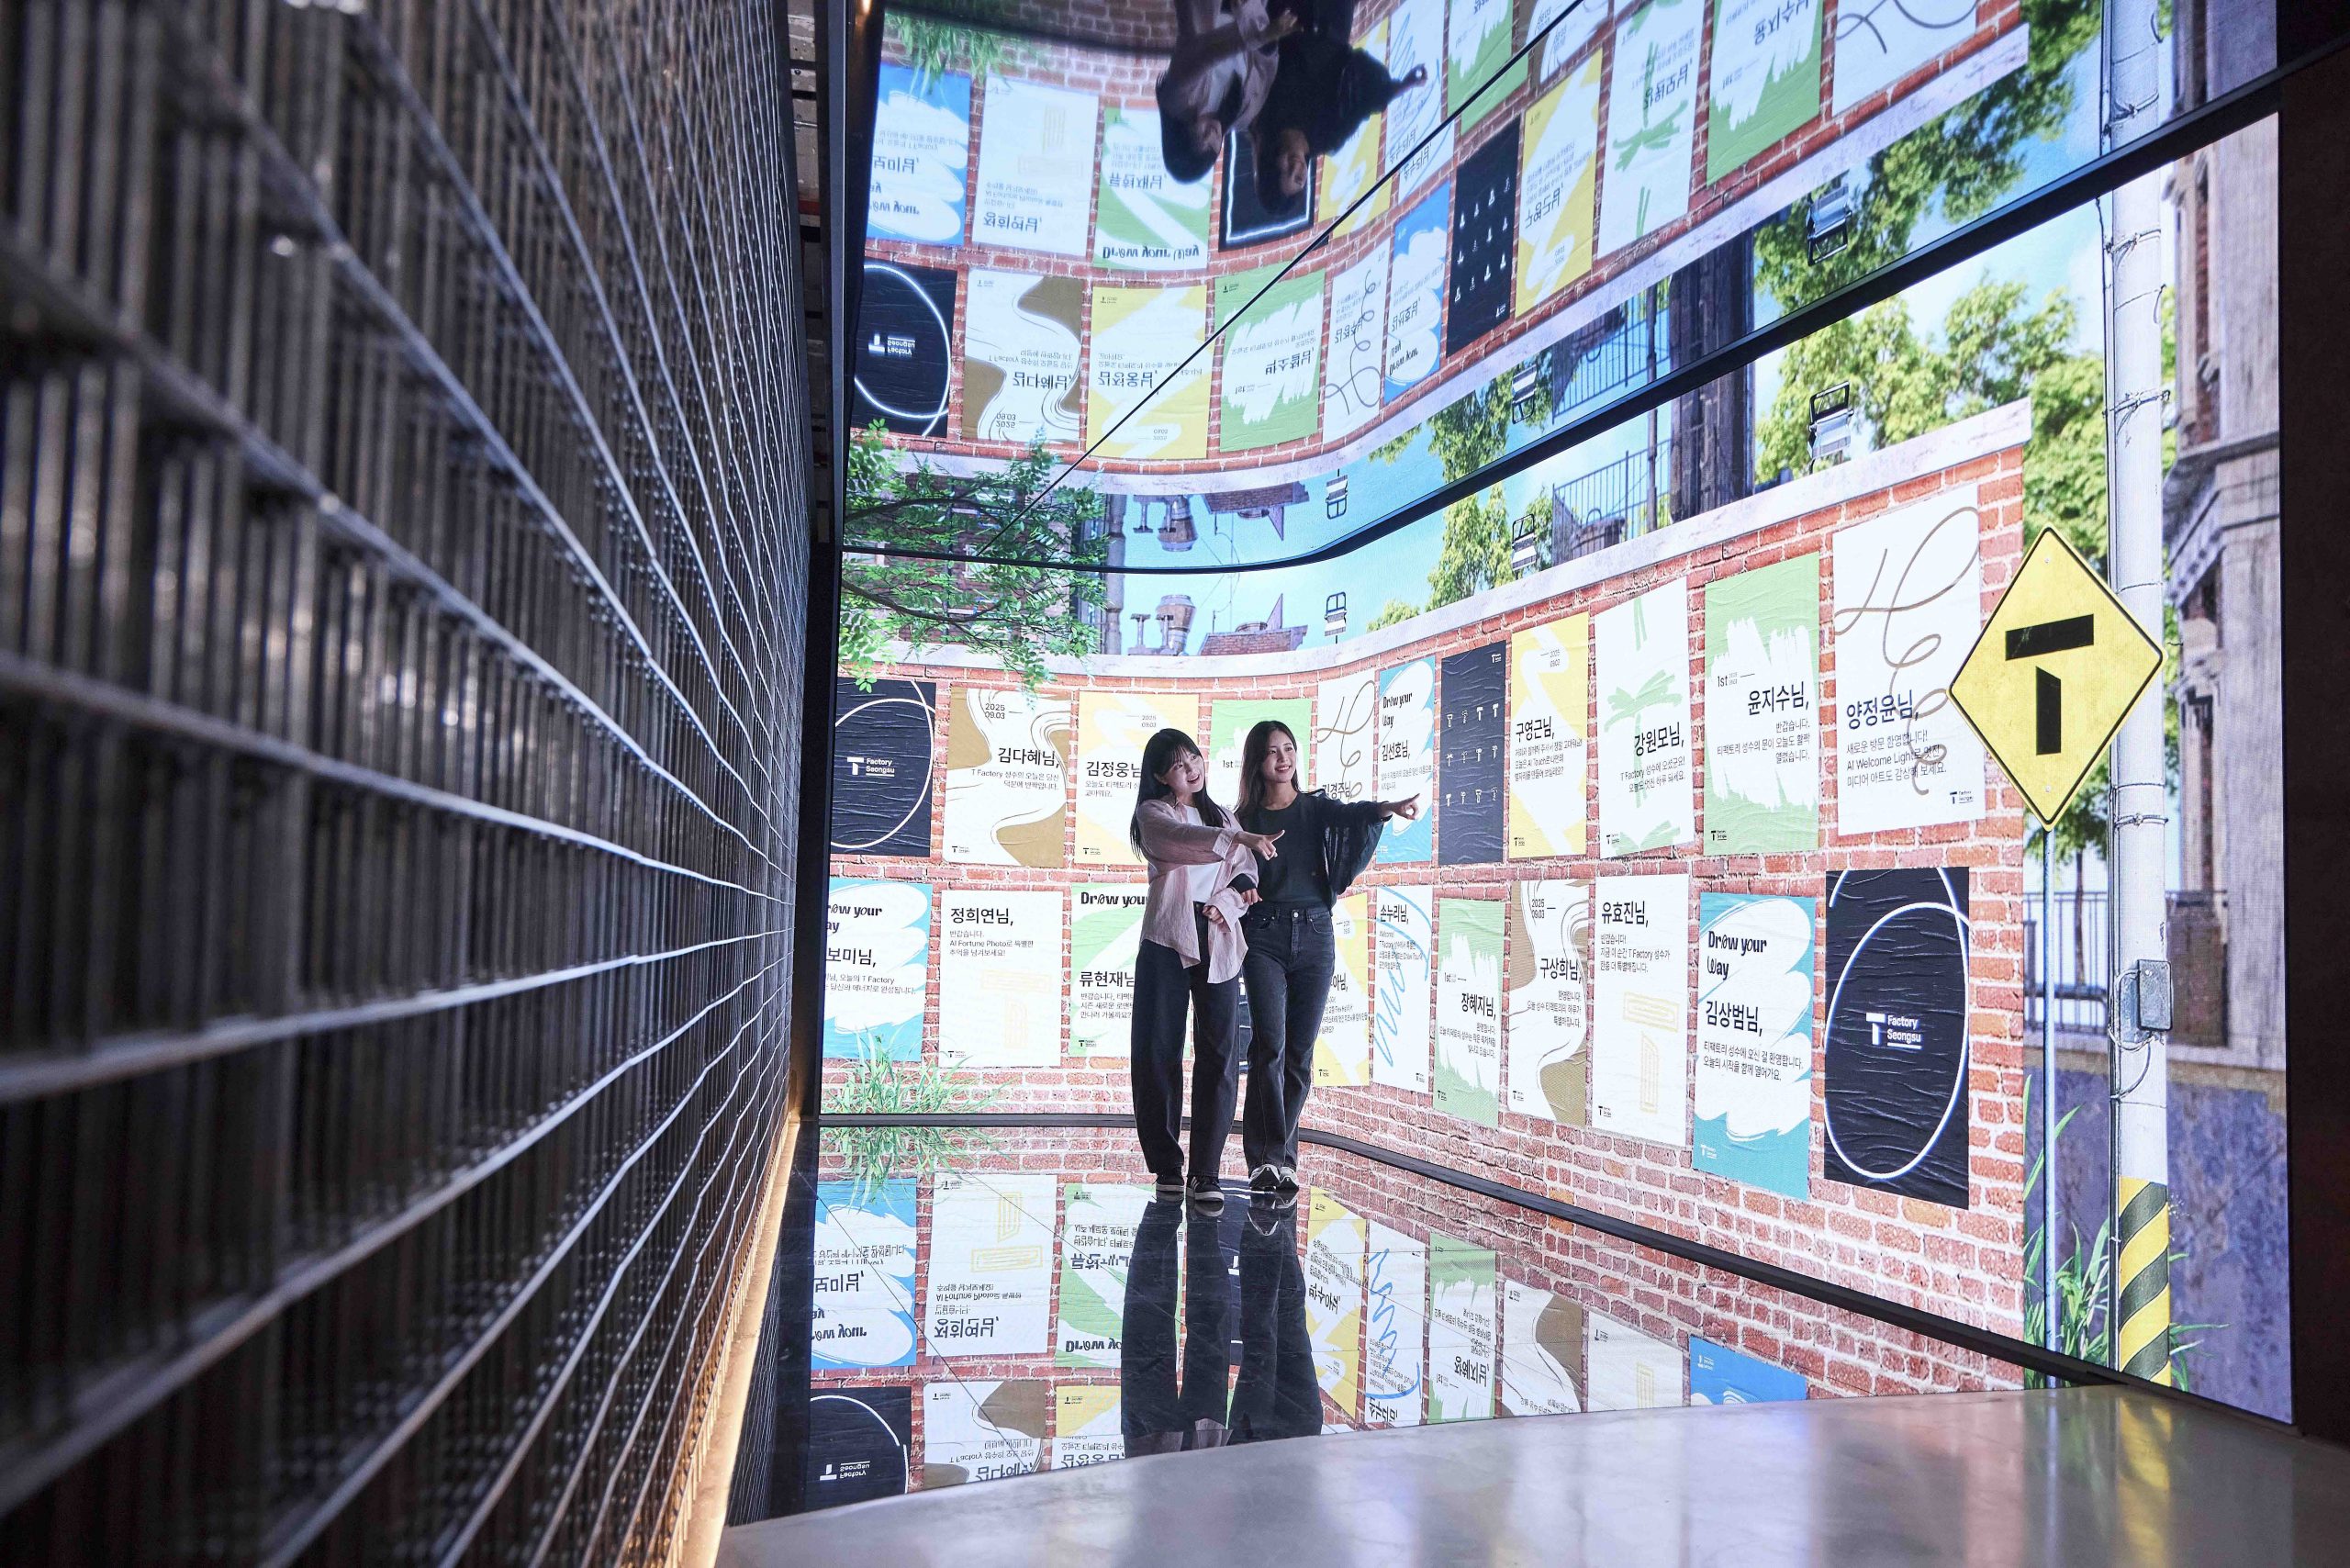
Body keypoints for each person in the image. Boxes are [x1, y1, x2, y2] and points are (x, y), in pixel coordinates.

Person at [1234, 720, 1418, 1194]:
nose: (1283, 758)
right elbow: (1228, 868)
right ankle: (1267, 1160)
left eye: (1288, 748)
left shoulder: (1315, 808)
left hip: (1316, 935)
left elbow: (1355, 816)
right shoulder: (1243, 819)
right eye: (1272, 751)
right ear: (1257, 761)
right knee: (1268, 1048)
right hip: (1264, 936)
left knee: (1298, 1054)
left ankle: (1282, 1159)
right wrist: (1242, 884)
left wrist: (1388, 809)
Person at [1129, 728, 1285, 1209]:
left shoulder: (1223, 816)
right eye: (1178, 765)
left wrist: (1227, 900)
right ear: (1161, 776)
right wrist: (1235, 837)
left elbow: (1246, 875)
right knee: (1158, 1049)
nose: (1191, 769)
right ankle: (1167, 1166)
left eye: (1193, 758)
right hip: (1166, 936)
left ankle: (1206, 1172)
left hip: (1218, 935)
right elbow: (1181, 842)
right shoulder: (1154, 814)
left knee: (1220, 1053)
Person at [1250, 0, 1429, 215]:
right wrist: (1402, 86)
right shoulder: (1328, 136)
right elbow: (1364, 101)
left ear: (1271, 165)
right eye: (1298, 178)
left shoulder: (1261, 114)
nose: (1296, 167)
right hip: (1333, 14)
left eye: (1286, 171)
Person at [1157, 0, 1297, 183]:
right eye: (1212, 148)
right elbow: (1266, 66)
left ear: (1181, 138)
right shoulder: (1242, 115)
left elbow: (1204, 53)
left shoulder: (1177, 101)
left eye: (1201, 139)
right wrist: (1263, 31)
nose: (1212, 135)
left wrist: (1260, 36)